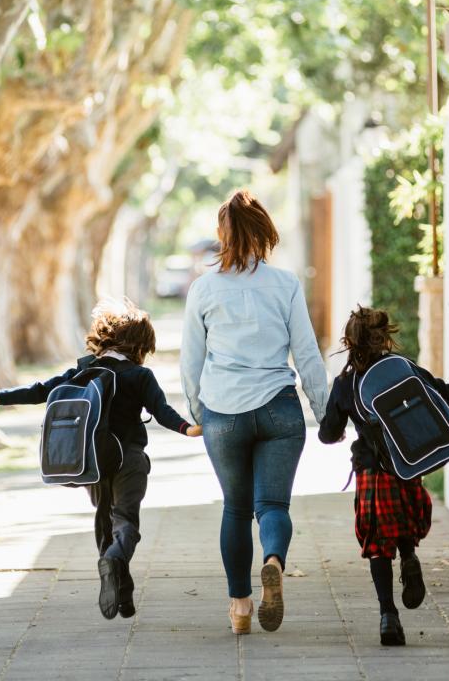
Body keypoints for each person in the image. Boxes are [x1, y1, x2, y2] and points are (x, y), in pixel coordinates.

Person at [0, 300, 202, 621]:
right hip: (128, 459)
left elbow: (38, 391)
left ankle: (121, 585)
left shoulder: (83, 369)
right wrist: (187, 428)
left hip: (92, 460)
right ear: (140, 344)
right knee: (126, 522)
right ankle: (115, 560)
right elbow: (162, 412)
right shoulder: (139, 375)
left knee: (104, 518)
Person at [180, 190, 328, 635]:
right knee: (272, 505)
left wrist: (198, 412)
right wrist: (324, 413)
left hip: (224, 412)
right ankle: (274, 562)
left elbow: (191, 361)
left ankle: (241, 607)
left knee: (235, 507)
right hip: (280, 408)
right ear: (264, 232)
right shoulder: (285, 284)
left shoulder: (203, 289)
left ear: (221, 235)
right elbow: (307, 354)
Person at [317, 306, 449, 646]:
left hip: (372, 469)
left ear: (349, 341)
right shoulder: (403, 368)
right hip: (406, 464)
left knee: (376, 542)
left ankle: (389, 617)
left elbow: (328, 432)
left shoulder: (345, 384)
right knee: (404, 522)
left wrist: (337, 434)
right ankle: (410, 555)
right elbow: (443, 391)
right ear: (385, 338)